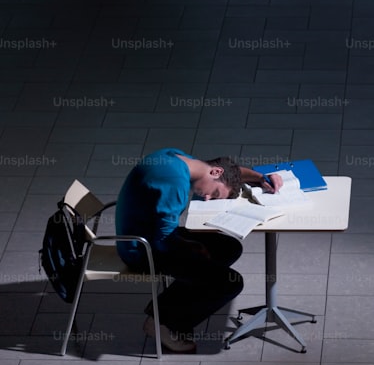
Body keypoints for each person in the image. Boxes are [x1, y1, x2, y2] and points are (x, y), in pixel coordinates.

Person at [114, 149, 281, 352]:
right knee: (230, 282)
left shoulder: (175, 159)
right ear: (215, 173)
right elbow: (164, 241)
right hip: (141, 250)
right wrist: (194, 247)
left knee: (229, 247)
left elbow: (230, 171)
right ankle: (163, 324)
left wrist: (260, 178)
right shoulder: (175, 182)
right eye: (216, 193)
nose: (208, 198)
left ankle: (166, 308)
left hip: (145, 234)